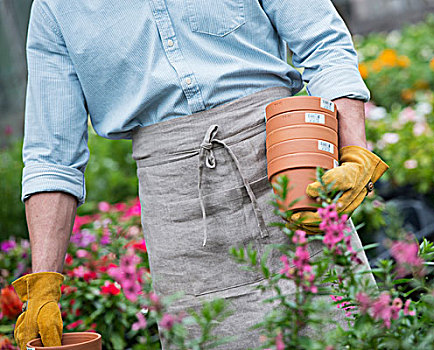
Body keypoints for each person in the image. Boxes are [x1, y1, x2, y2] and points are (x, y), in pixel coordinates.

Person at [12, 0, 388, 349]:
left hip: (288, 167)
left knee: (341, 323)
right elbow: (52, 156)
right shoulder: (56, 9)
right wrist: (43, 287)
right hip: (177, 212)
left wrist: (354, 150)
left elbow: (324, 42)